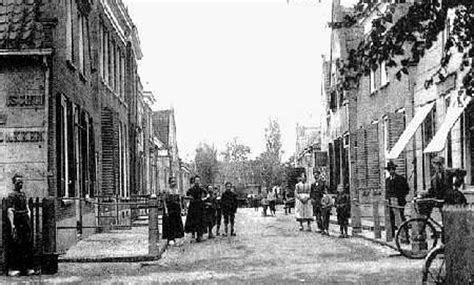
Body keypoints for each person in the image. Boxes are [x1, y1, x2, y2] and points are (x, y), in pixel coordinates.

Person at [6, 174, 35, 276]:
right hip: (17, 221)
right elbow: (10, 210)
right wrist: (12, 224)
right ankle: (13, 268)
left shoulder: (23, 195)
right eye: (18, 182)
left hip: (24, 221)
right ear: (14, 183)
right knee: (16, 245)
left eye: (21, 182)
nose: (20, 184)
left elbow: (27, 208)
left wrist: (28, 216)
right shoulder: (11, 196)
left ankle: (26, 268)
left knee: (26, 244)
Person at [385, 161, 410, 234]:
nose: (391, 171)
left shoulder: (401, 179)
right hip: (390, 203)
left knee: (401, 217)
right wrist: (387, 199)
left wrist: (401, 197)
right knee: (391, 218)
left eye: (393, 169)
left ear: (395, 169)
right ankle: (392, 234)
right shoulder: (387, 180)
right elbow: (387, 191)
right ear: (388, 171)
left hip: (399, 201)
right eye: (390, 169)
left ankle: (405, 234)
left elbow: (406, 189)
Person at [162, 177, 185, 246]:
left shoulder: (177, 190)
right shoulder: (167, 191)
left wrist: (181, 209)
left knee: (178, 223)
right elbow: (164, 201)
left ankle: (178, 238)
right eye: (172, 182)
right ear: (169, 183)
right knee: (170, 224)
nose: (173, 183)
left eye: (174, 182)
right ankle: (171, 238)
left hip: (176, 209)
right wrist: (166, 210)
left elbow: (180, 201)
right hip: (170, 209)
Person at [184, 175, 207, 242]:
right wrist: (189, 198)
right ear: (194, 181)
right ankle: (193, 236)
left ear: (200, 181)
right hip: (193, 206)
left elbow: (206, 194)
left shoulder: (201, 189)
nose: (197, 182)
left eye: (198, 180)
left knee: (200, 221)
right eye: (196, 180)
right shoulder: (191, 189)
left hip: (200, 206)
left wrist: (204, 198)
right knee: (193, 221)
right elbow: (187, 194)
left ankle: (199, 236)